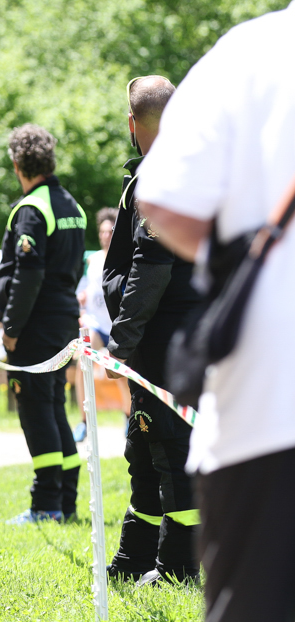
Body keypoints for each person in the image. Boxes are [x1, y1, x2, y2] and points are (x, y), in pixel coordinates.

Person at [136, 6, 295, 622]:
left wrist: (246, 257)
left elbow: (163, 197)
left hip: (268, 396)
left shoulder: (251, 51)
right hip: (264, 398)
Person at [101, 76, 201, 587]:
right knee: (142, 447)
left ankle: (179, 568)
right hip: (170, 336)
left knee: (170, 449)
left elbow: (151, 270)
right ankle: (133, 559)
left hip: (165, 340)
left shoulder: (164, 177)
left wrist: (120, 343)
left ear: (132, 123)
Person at [0, 124, 86, 525]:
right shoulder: (73, 206)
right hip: (63, 320)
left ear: (17, 164)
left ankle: (46, 505)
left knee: (35, 409)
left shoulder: (32, 208)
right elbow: (77, 267)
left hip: (35, 325)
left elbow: (27, 275)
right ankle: (66, 501)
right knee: (53, 407)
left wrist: (12, 329)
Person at [70, 208, 130, 442]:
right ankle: (84, 421)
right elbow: (85, 290)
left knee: (121, 372)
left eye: (110, 231)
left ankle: (129, 417)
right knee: (82, 365)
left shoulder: (124, 258)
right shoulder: (92, 260)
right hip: (96, 326)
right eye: (102, 231)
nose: (106, 236)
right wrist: (82, 303)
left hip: (116, 326)